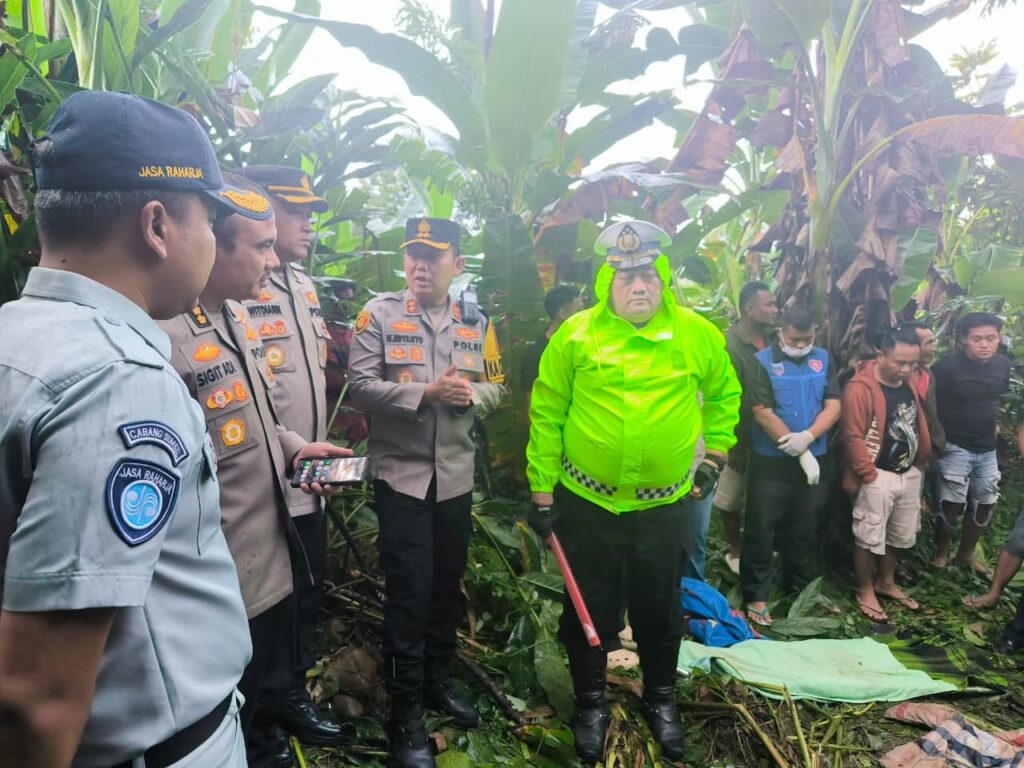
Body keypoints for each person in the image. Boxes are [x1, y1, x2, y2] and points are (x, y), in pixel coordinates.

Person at [0, 92, 255, 767]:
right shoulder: (120, 381)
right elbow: (38, 699)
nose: (212, 242)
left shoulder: (14, 338)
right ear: (157, 226)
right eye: (209, 220)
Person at [526, 220, 740, 763]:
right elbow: (547, 412)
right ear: (608, 282)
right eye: (626, 277)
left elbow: (724, 395)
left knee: (659, 606)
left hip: (664, 506)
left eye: (647, 274)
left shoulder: (697, 333)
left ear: (662, 278)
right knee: (588, 606)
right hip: (587, 504)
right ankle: (590, 703)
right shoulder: (576, 335)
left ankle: (661, 698)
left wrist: (715, 454)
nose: (638, 286)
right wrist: (542, 491)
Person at [159, 173, 349, 768]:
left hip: (270, 543)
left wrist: (294, 449)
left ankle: (268, 737)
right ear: (216, 246)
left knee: (269, 665)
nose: (273, 259)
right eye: (261, 247)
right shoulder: (164, 336)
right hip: (222, 562)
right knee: (232, 694)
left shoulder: (236, 317)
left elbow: (256, 416)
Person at [348, 217, 506, 768]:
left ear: (456, 265)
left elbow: (497, 385)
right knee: (409, 592)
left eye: (433, 256)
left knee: (445, 586)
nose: (420, 265)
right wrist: (424, 392)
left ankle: (437, 679)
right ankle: (405, 709)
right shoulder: (379, 315)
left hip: (455, 479)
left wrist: (471, 397)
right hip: (403, 479)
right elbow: (360, 388)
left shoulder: (476, 321)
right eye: (413, 254)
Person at [239, 165, 344, 746]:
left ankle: (292, 694)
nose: (307, 223)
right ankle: (260, 717)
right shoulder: (236, 286)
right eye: (295, 210)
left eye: (310, 212)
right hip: (263, 481)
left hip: (310, 472)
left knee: (306, 593)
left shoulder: (301, 283)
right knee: (266, 605)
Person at [742, 305, 841, 627]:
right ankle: (756, 595)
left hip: (816, 459)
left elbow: (833, 404)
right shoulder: (761, 362)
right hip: (771, 462)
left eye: (807, 339)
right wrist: (798, 450)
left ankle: (803, 588)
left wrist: (809, 438)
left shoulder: (823, 358)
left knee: (806, 525)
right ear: (780, 332)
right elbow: (762, 411)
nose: (801, 345)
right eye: (795, 339)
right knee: (761, 527)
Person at [841, 328, 932, 622]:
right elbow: (853, 436)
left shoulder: (908, 382)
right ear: (881, 355)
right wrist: (868, 474)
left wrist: (918, 465)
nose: (906, 369)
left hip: (909, 473)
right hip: (877, 474)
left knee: (899, 534)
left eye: (912, 364)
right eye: (900, 362)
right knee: (868, 535)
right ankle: (864, 588)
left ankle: (886, 581)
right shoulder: (860, 388)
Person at [932, 312, 1013, 574]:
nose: (985, 344)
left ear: (999, 338)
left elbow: (996, 398)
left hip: (987, 446)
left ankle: (965, 554)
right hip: (955, 444)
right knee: (951, 503)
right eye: (977, 339)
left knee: (986, 501)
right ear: (963, 340)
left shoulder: (1002, 365)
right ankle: (941, 554)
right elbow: (929, 403)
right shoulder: (945, 367)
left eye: (991, 338)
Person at [715, 281, 779, 575]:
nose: (775, 309)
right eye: (769, 304)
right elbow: (725, 397)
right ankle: (734, 547)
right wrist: (733, 444)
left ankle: (759, 543)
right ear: (750, 309)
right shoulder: (730, 344)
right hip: (739, 430)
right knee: (731, 493)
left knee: (760, 492)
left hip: (769, 429)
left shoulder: (774, 340)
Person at [322, 276, 370, 443]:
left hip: (357, 417)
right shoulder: (322, 332)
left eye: (349, 301)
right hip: (333, 415)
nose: (346, 307)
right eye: (342, 300)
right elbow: (331, 377)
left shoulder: (354, 331)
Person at [521, 284, 583, 400]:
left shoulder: (583, 347)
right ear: (563, 313)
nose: (584, 315)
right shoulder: (536, 355)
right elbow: (531, 400)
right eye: (579, 310)